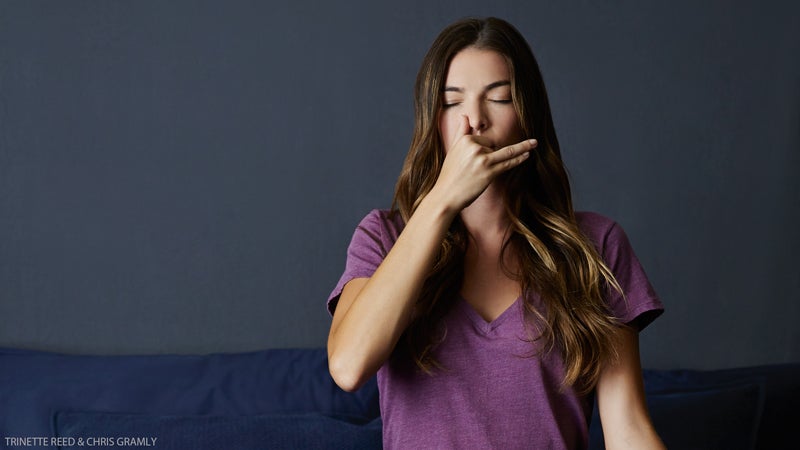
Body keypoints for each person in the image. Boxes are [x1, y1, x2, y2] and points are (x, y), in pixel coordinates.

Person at [326, 16, 665, 450]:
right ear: (432, 121)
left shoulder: (595, 245)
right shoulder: (383, 237)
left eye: (499, 98)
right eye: (452, 103)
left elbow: (628, 430)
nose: (475, 121)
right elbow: (349, 366)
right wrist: (442, 201)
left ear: (528, 116)